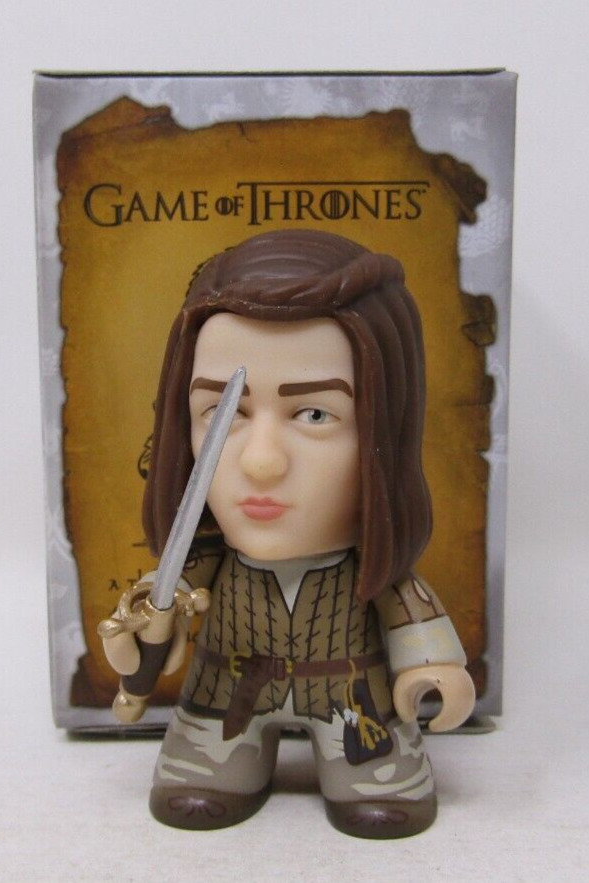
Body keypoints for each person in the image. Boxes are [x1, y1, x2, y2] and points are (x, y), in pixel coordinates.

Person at [107, 229, 475, 838]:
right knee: (204, 772)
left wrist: (431, 668)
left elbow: (409, 610)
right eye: (224, 413)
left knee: (377, 777)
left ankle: (369, 774)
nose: (261, 463)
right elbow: (161, 620)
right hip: (224, 696)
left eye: (315, 414)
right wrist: (146, 633)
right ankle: (217, 770)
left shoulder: (369, 566)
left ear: (383, 427)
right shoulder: (202, 563)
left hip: (353, 700)